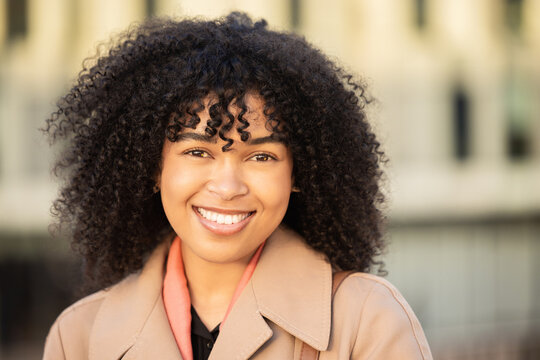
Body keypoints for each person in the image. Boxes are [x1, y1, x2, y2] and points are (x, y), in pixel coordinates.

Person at [42, 12, 432, 360]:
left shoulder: (366, 319)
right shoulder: (78, 337)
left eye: (261, 157)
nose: (227, 187)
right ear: (152, 167)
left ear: (299, 173)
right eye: (197, 152)